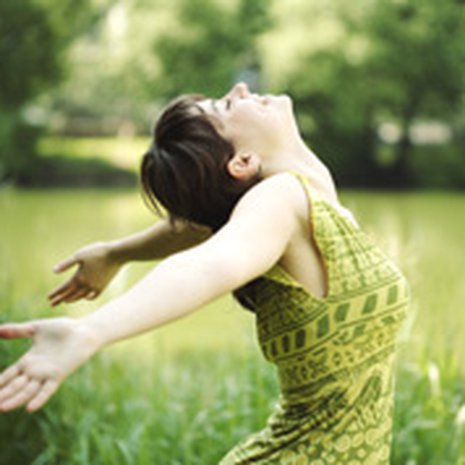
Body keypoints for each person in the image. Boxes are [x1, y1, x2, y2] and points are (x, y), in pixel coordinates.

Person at [0, 82, 410, 464]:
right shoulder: (282, 198)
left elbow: (200, 227)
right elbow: (213, 262)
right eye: (227, 106)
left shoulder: (307, 196)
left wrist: (115, 253)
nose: (241, 88)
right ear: (242, 161)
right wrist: (90, 330)